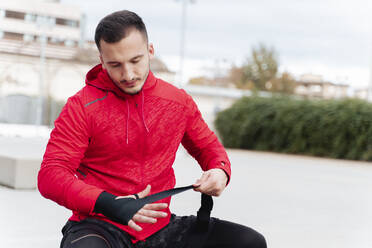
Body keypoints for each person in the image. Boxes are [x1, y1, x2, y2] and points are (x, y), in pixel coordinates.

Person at [38, 10, 267, 248]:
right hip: (99, 226)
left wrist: (220, 171)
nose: (127, 74)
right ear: (102, 60)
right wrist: (107, 202)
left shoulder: (178, 101)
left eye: (135, 61)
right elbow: (51, 175)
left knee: (249, 242)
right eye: (115, 65)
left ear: (150, 51)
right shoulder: (82, 106)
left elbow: (209, 148)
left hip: (161, 228)